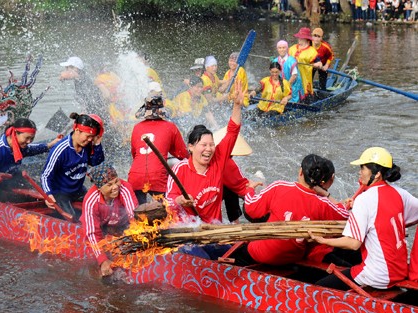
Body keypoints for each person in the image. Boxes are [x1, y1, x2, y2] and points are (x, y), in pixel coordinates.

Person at [309, 147, 418, 290]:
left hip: (377, 275)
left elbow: (353, 243)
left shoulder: (364, 199)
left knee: (318, 288)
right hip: (400, 270)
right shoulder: (401, 194)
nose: (360, 172)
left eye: (363, 168)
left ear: (377, 173)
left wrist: (323, 240)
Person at [228, 154, 349, 267]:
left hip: (264, 253)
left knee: (236, 254)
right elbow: (345, 215)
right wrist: (326, 194)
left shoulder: (279, 187)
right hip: (293, 257)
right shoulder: (323, 204)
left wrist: (250, 190)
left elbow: (250, 209)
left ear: (300, 172)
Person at [166, 80, 260, 224]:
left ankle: (235, 224)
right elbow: (168, 201)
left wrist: (237, 105)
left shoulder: (218, 159)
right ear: (191, 147)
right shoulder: (180, 169)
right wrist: (180, 200)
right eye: (203, 145)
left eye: (211, 145)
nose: (208, 149)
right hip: (189, 230)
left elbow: (232, 132)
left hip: (214, 230)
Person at [128, 87, 188, 205]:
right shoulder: (170, 127)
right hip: (157, 177)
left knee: (140, 214)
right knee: (165, 212)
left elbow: (134, 154)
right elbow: (182, 155)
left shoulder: (137, 127)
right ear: (162, 111)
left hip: (135, 176)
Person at [41, 112, 105, 221]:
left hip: (78, 189)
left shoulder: (87, 146)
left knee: (100, 208)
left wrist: (97, 144)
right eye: (88, 136)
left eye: (92, 137)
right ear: (77, 131)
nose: (90, 140)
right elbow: (45, 175)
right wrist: (48, 194)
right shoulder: (60, 149)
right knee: (72, 219)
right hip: (61, 193)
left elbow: (96, 162)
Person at [80, 162, 138, 277]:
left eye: (117, 181)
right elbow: (92, 233)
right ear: (100, 188)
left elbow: (135, 218)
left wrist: (128, 238)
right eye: (109, 185)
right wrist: (102, 260)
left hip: (122, 227)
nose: (115, 187)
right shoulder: (91, 200)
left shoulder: (125, 188)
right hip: (102, 229)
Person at [288, 28, 323, 102]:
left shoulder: (312, 51)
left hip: (305, 79)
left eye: (301, 38)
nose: (299, 40)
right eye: (299, 38)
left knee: (305, 97)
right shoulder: (292, 48)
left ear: (307, 40)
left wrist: (317, 64)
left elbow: (319, 63)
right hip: (292, 77)